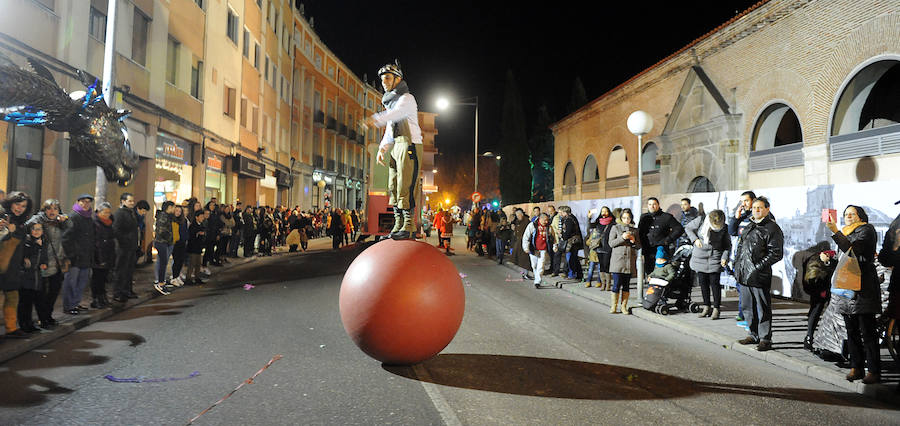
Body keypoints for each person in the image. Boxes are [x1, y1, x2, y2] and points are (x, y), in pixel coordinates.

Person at [363, 61, 422, 240]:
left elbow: (396, 115)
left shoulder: (407, 99)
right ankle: (398, 224)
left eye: (388, 78)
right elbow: (390, 128)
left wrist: (375, 119)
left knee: (406, 185)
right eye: (382, 79)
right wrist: (383, 148)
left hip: (409, 144)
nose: (384, 82)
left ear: (398, 79)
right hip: (397, 145)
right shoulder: (392, 103)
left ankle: (409, 225)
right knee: (393, 186)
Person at [826, 205, 881, 384]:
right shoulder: (846, 231)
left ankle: (873, 370)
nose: (848, 216)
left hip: (863, 287)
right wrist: (829, 259)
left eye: (852, 214)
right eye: (846, 214)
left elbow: (853, 251)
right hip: (846, 287)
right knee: (851, 330)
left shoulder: (866, 230)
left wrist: (835, 232)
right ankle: (856, 367)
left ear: (860, 216)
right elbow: (843, 257)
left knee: (868, 331)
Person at [734, 196, 784, 352]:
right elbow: (741, 248)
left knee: (762, 308)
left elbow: (776, 253)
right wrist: (738, 266)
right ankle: (753, 334)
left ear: (767, 209)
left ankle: (765, 339)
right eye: (754, 208)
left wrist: (757, 267)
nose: (756, 210)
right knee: (747, 307)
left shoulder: (772, 228)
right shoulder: (749, 226)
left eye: (760, 207)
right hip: (744, 275)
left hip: (758, 275)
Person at [26, 199, 67, 329]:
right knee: (41, 294)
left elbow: (72, 227)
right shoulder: (39, 220)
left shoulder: (60, 222)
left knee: (54, 292)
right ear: (44, 210)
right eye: (49, 208)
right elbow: (27, 227)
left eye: (55, 209)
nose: (52, 211)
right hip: (42, 262)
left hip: (58, 262)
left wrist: (65, 219)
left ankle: (47, 316)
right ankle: (43, 319)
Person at [685, 209, 731, 320]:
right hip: (700, 257)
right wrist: (695, 239)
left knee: (715, 284)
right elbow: (688, 228)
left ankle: (716, 308)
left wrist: (724, 257)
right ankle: (706, 306)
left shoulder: (725, 227)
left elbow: (727, 245)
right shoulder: (701, 220)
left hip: (715, 257)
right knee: (703, 283)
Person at [1, 191, 33, 338]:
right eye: (17, 204)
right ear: (10, 203)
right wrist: (8, 231)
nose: (19, 208)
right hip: (2, 268)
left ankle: (11, 328)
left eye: (23, 206)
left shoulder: (21, 223)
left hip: (13, 269)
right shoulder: (3, 218)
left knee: (12, 298)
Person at [793, 242, 836, 350]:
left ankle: (810, 337)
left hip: (821, 287)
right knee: (817, 309)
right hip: (822, 287)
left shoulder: (814, 258)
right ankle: (811, 337)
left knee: (816, 310)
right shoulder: (816, 259)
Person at [61, 194, 95, 315]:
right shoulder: (73, 217)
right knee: (71, 282)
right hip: (75, 258)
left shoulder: (89, 218)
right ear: (78, 202)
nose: (85, 204)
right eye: (83, 202)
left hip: (85, 257)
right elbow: (65, 238)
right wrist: (71, 254)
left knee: (82, 282)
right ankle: (69, 306)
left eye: (88, 202)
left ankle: (75, 303)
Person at [728, 190, 757, 323]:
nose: (743, 204)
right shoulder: (743, 215)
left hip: (751, 260)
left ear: (753, 200)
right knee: (741, 288)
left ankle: (748, 316)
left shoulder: (757, 215)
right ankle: (743, 313)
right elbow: (732, 232)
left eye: (746, 200)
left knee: (749, 291)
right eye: (742, 201)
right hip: (740, 258)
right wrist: (736, 217)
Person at [638, 197, 684, 280]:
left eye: (654, 204)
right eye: (650, 204)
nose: (652, 206)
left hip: (662, 250)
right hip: (648, 251)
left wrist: (667, 240)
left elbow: (679, 229)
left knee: (661, 275)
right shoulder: (643, 217)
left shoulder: (666, 217)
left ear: (658, 205)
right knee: (650, 275)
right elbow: (640, 233)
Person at [608, 208, 640, 314]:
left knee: (626, 285)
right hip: (617, 261)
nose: (627, 220)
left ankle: (623, 307)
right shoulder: (615, 228)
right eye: (624, 218)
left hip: (629, 262)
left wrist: (633, 241)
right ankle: (614, 306)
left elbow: (638, 246)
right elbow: (611, 243)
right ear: (621, 218)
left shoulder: (635, 230)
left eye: (628, 218)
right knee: (616, 284)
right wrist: (622, 237)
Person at [18, 221, 46, 333]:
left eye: (39, 229)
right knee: (25, 302)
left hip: (36, 277)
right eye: (34, 229)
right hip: (25, 277)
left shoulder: (43, 242)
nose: (36, 231)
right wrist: (36, 246)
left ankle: (29, 323)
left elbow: (44, 257)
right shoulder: (27, 242)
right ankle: (23, 324)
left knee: (33, 301)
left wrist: (44, 263)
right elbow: (25, 256)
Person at [112, 193, 140, 303]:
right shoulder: (119, 213)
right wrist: (125, 241)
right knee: (120, 270)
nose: (132, 203)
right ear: (123, 201)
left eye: (133, 201)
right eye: (130, 201)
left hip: (131, 247)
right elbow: (116, 230)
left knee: (129, 270)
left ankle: (127, 290)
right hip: (123, 247)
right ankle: (118, 293)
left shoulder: (130, 212)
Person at [91, 202, 116, 308]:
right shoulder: (95, 223)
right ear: (99, 212)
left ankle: (102, 297)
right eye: (105, 212)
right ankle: (96, 298)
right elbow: (96, 242)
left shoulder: (109, 223)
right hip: (98, 255)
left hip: (108, 254)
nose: (107, 214)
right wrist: (99, 257)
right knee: (97, 278)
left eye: (109, 212)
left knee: (104, 278)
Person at [523, 213, 554, 289]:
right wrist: (526, 247)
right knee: (534, 265)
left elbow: (553, 237)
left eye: (547, 220)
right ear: (540, 219)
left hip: (543, 249)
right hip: (534, 249)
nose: (546, 221)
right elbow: (526, 236)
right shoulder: (532, 225)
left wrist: (554, 246)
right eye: (545, 220)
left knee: (541, 265)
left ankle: (537, 281)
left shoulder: (549, 227)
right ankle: (537, 277)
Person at [153, 201, 175, 295]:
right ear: (169, 207)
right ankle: (160, 283)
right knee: (162, 263)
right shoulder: (163, 216)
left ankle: (162, 282)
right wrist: (168, 237)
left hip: (164, 242)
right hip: (161, 242)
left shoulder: (166, 216)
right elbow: (162, 231)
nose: (174, 210)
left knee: (163, 262)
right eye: (173, 207)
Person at [593, 207, 615, 290]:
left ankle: (608, 284)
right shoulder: (598, 222)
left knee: (606, 265)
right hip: (599, 246)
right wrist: (589, 218)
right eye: (602, 211)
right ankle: (603, 284)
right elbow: (591, 226)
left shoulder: (612, 223)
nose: (604, 213)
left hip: (608, 247)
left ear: (609, 212)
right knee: (601, 265)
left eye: (606, 211)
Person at [559, 206, 583, 280]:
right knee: (574, 258)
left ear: (565, 212)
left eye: (561, 212)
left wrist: (562, 235)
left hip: (572, 242)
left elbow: (568, 232)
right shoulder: (571, 218)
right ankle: (578, 275)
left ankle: (572, 274)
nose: (560, 214)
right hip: (574, 242)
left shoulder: (569, 220)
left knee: (571, 258)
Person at [185, 209, 207, 285]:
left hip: (199, 248)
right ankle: (188, 278)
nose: (202, 218)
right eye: (201, 216)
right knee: (192, 264)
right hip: (193, 248)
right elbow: (191, 236)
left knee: (198, 264)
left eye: (203, 216)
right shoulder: (193, 225)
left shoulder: (201, 225)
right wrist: (197, 233)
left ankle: (197, 278)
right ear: (196, 217)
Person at [170, 205, 188, 286]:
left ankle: (177, 276)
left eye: (180, 211)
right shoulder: (172, 220)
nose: (178, 213)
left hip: (182, 242)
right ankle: (174, 277)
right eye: (176, 211)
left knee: (181, 260)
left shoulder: (183, 220)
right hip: (175, 243)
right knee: (176, 260)